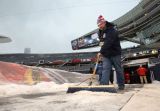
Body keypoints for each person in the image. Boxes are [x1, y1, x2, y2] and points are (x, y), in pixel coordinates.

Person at [97, 15, 125, 90]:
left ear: (104, 22)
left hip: (115, 53)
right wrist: (102, 51)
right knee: (105, 69)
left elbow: (109, 42)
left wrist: (101, 51)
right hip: (106, 55)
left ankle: (121, 85)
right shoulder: (101, 32)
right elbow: (102, 42)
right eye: (98, 25)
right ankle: (104, 86)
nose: (99, 26)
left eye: (100, 24)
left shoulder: (112, 30)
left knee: (118, 69)